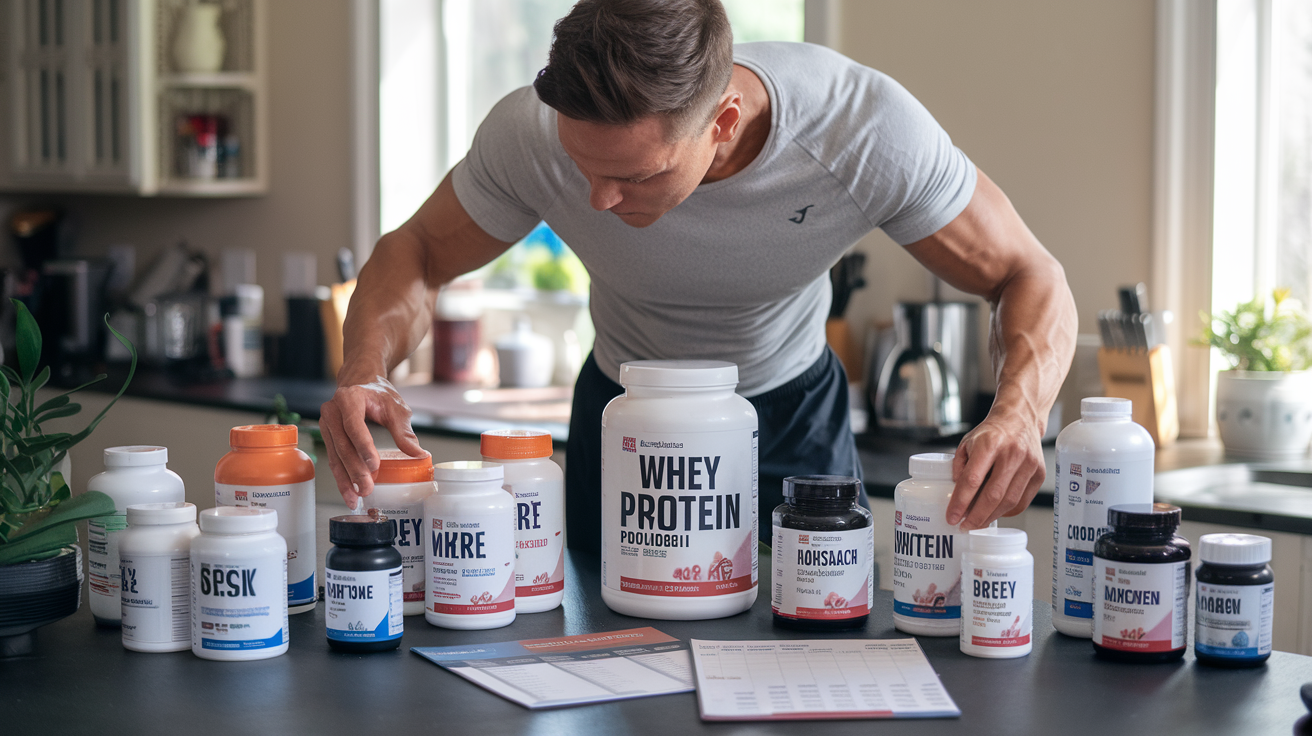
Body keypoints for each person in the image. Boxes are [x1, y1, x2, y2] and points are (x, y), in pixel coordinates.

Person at [320, 0, 1077, 554]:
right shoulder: (532, 133)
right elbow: (417, 249)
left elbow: (1026, 271)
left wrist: (1019, 411)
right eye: (586, 168)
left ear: (722, 123)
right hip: (621, 407)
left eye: (633, 176)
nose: (598, 201)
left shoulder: (863, 130)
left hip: (787, 413)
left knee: (804, 657)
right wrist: (365, 370)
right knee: (605, 650)